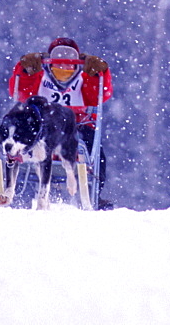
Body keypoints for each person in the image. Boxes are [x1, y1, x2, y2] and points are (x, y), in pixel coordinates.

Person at [8, 37, 113, 208]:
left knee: (95, 150)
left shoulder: (84, 77)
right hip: (43, 126)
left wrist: (98, 74)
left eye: (69, 63)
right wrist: (25, 70)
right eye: (59, 63)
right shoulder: (39, 76)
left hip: (78, 125)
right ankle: (18, 194)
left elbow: (99, 95)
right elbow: (19, 91)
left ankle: (94, 194)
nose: (64, 68)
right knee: (24, 140)